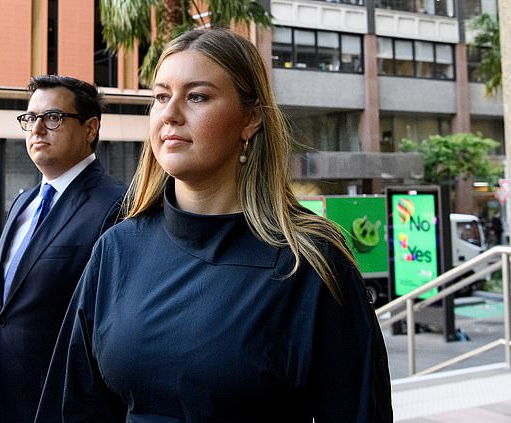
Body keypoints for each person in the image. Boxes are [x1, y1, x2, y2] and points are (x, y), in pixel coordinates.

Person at [35, 28, 393, 422]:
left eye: (197, 96)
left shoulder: (309, 261)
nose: (170, 114)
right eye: (160, 97)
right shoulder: (116, 249)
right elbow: (73, 407)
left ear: (250, 118)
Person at [0, 75, 126, 422]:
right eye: (30, 118)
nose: (37, 129)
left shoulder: (116, 206)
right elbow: (0, 308)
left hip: (62, 408)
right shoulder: (23, 203)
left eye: (53, 118)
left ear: (90, 128)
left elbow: (114, 327)